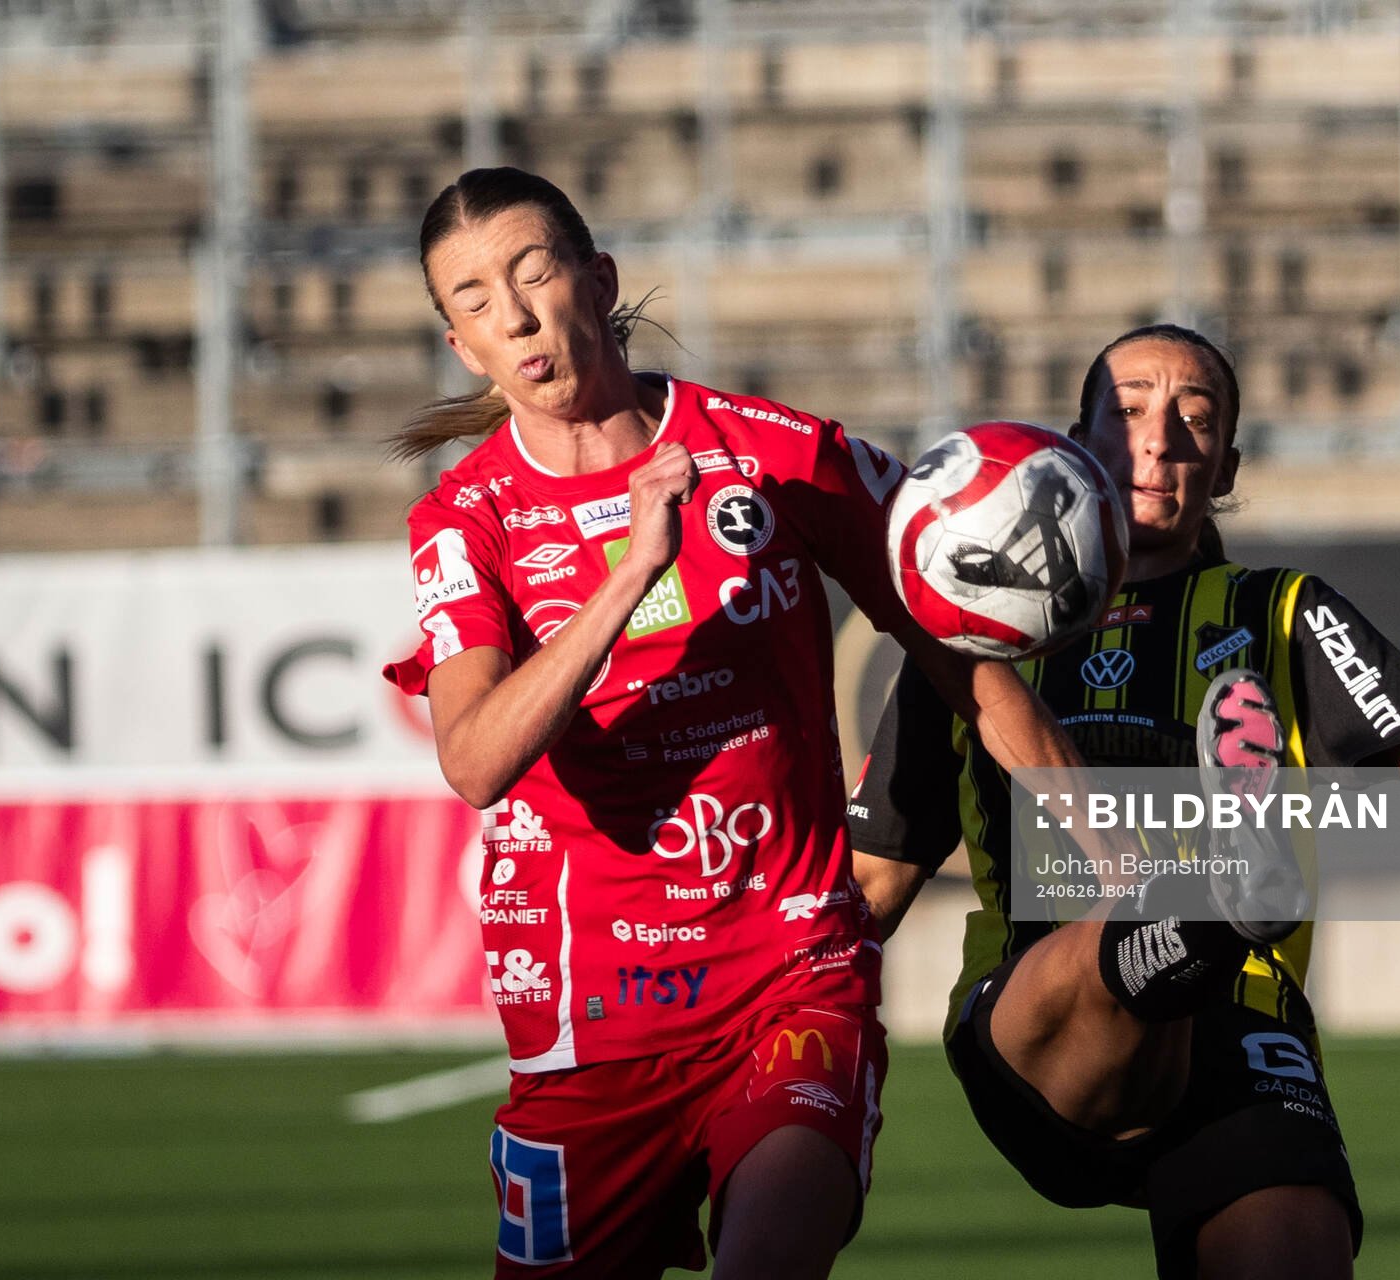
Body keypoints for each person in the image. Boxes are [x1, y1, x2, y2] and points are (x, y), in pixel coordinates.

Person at [380, 166, 1094, 1279]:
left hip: (789, 972)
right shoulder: (465, 519)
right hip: (591, 1020)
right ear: (461, 346)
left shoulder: (772, 450)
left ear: (597, 280)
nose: (513, 314)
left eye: (533, 272)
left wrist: (1118, 846)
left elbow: (969, 665)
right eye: (472, 300)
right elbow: (475, 759)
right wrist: (626, 578)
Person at [848, 323, 1400, 1280]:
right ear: (1077, 440)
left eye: (1195, 420)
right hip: (1043, 1024)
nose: (1161, 439)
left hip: (1241, 1029)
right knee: (1119, 942)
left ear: (1226, 463)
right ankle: (1205, 902)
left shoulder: (1278, 610)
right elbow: (873, 880)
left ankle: (1208, 906)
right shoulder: (973, 631)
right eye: (1130, 413)